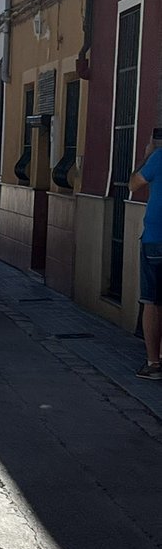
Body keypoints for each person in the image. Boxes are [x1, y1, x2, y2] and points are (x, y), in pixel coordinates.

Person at [129, 134, 162, 378]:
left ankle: (153, 363)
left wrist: (146, 155)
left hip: (156, 240)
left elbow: (134, 184)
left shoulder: (158, 158)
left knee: (152, 301)